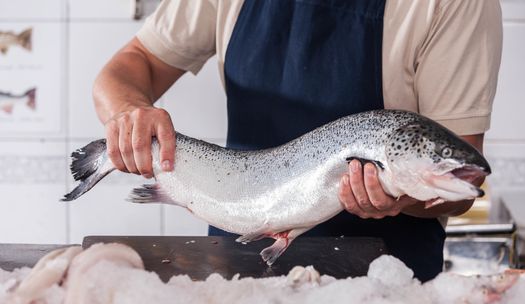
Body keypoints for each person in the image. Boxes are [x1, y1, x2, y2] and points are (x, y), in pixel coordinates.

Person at [93, 0, 502, 281]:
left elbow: (461, 189)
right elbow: (132, 64)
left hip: (384, 286)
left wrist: (403, 197)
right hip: (238, 257)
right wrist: (128, 113)